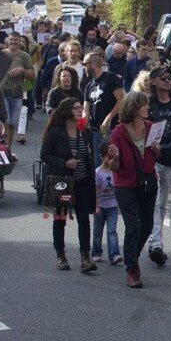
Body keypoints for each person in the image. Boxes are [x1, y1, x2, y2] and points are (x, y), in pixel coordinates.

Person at [108, 91, 161, 288]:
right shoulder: (119, 131)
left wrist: (156, 150)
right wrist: (115, 157)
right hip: (125, 184)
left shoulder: (150, 127)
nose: (148, 108)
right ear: (134, 108)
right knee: (133, 227)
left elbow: (154, 157)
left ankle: (133, 257)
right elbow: (113, 166)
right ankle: (131, 270)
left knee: (147, 225)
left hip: (147, 181)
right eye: (144, 105)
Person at [40, 97, 97, 272]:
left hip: (82, 181)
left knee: (84, 219)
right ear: (67, 110)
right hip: (62, 181)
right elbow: (45, 155)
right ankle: (60, 255)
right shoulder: (56, 131)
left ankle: (85, 257)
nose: (80, 110)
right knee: (60, 219)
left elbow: (89, 156)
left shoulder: (84, 131)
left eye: (81, 108)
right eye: (76, 108)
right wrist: (64, 163)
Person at [145, 66, 171, 266]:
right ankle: (154, 242)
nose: (167, 80)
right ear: (153, 81)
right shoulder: (147, 103)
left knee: (162, 204)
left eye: (169, 78)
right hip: (152, 159)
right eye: (163, 78)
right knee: (152, 202)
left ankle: (156, 242)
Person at [81, 50, 124, 146]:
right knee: (97, 160)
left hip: (111, 128)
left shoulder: (110, 78)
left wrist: (109, 118)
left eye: (85, 64)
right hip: (95, 129)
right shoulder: (88, 86)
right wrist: (79, 127)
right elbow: (86, 111)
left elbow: (121, 100)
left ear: (92, 64)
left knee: (110, 158)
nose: (83, 67)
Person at [0, 34, 35, 147]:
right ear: (7, 41)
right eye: (11, 40)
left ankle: (8, 149)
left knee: (12, 123)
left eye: (16, 40)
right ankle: (1, 147)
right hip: (2, 92)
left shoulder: (24, 56)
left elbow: (32, 75)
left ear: (20, 42)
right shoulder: (1, 54)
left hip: (17, 93)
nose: (13, 42)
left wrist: (22, 70)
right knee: (3, 120)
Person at [92, 142, 122, 266]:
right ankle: (96, 252)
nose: (109, 160)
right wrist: (96, 206)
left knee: (112, 231)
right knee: (97, 232)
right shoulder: (98, 172)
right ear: (101, 157)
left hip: (113, 206)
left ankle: (114, 254)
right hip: (101, 206)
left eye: (111, 157)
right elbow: (95, 191)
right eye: (107, 157)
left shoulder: (114, 171)